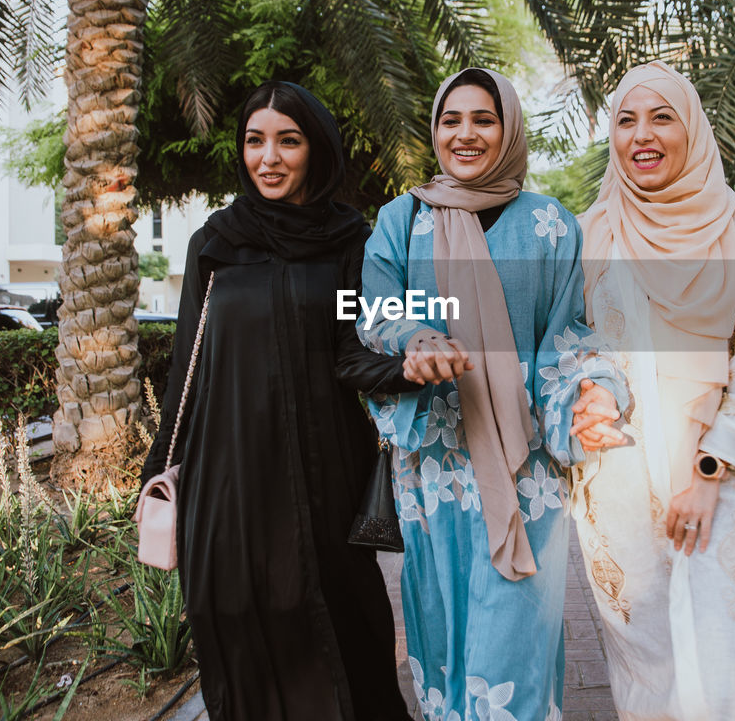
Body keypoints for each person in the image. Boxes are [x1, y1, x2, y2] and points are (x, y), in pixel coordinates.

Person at [570, 61, 735, 720]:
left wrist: (708, 471)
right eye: (627, 120)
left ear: (692, 128)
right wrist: (581, 395)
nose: (643, 134)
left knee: (729, 652)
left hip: (721, 480)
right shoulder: (589, 232)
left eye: (662, 116)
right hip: (619, 480)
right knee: (643, 657)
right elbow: (568, 347)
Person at [139, 81, 417, 721]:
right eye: (255, 141)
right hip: (229, 478)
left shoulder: (350, 239)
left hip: (325, 478)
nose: (269, 157)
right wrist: (159, 469)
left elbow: (354, 348)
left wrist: (413, 366)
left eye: (287, 141)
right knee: (241, 626)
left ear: (314, 149)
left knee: (346, 629)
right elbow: (189, 365)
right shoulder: (216, 242)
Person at [358, 67, 626, 721]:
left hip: (527, 475)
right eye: (452, 120)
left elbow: (568, 337)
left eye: (484, 119)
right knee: (441, 637)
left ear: (509, 130)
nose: (466, 133)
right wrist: (415, 341)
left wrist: (588, 396)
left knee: (517, 657)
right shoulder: (402, 220)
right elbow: (372, 313)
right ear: (435, 130)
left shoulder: (552, 227)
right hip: (435, 473)